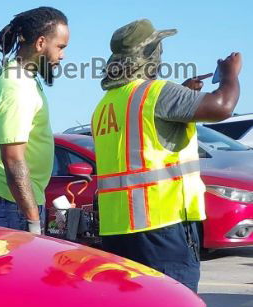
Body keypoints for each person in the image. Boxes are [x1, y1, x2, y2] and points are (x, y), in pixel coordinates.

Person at [91, 19, 242, 292]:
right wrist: (230, 74)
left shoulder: (106, 105)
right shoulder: (156, 93)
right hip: (162, 227)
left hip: (118, 232)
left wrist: (183, 93)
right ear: (149, 55)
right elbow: (222, 106)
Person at [0, 7, 70, 234]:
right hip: (13, 204)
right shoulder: (16, 86)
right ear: (40, 43)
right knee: (22, 267)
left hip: (16, 201)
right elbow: (13, 160)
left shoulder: (25, 80)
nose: (62, 55)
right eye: (60, 47)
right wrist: (32, 221)